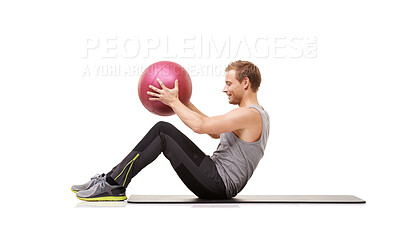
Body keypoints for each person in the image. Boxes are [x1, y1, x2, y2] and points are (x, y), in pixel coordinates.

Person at [72, 60, 270, 201]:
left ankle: (113, 183)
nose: (224, 89)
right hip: (214, 178)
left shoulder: (250, 115)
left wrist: (174, 103)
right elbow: (211, 129)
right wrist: (184, 102)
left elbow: (200, 127)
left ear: (245, 83)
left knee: (162, 131)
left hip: (219, 183)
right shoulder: (252, 115)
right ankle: (110, 179)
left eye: (229, 83)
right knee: (163, 131)